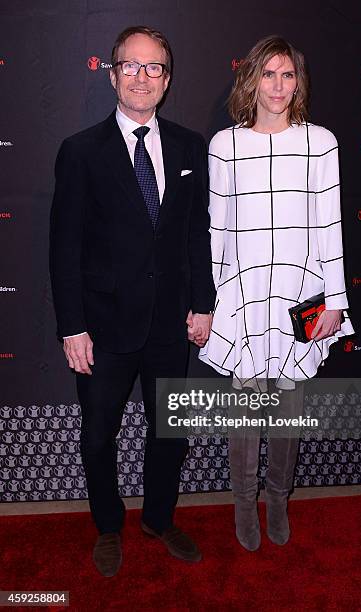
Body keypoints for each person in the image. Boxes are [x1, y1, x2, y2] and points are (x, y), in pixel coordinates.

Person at [49, 25, 215, 576]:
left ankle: (159, 517)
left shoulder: (191, 147)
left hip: (171, 322)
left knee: (171, 429)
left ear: (167, 81)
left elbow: (196, 232)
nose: (143, 77)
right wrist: (72, 325)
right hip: (103, 326)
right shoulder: (80, 151)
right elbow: (64, 246)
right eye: (132, 66)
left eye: (154, 68)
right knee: (98, 434)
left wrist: (203, 303)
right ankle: (108, 525)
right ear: (113, 73)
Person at [199, 35, 354, 551]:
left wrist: (335, 301)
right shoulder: (225, 145)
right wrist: (211, 301)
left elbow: (330, 226)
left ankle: (278, 499)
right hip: (241, 294)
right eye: (269, 74)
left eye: (288, 75)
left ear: (298, 82)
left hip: (303, 294)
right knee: (246, 410)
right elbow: (215, 229)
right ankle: (244, 504)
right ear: (251, 78)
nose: (279, 86)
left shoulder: (321, 142)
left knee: (288, 406)